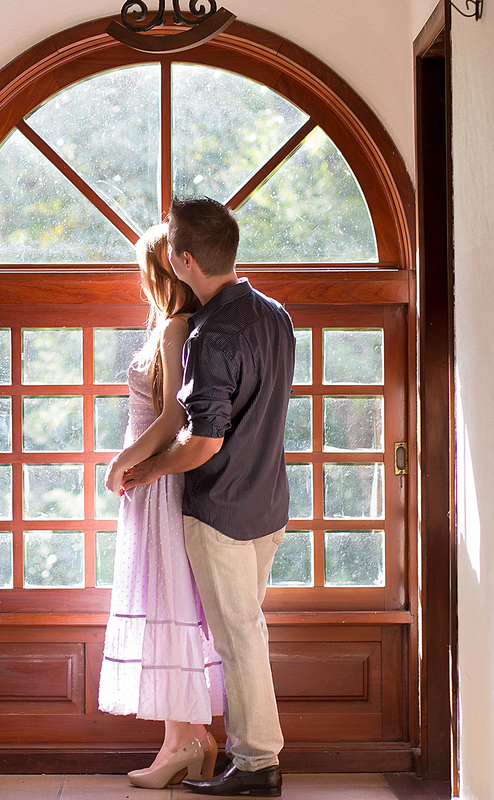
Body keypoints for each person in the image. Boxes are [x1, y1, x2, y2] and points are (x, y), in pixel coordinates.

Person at [122, 197, 295, 798]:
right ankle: (255, 760)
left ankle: (257, 767)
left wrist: (143, 472)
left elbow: (203, 442)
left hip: (221, 509)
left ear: (183, 259)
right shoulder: (275, 314)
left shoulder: (209, 333)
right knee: (247, 632)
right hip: (268, 504)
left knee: (237, 638)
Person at [97, 224, 224, 790]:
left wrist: (120, 460)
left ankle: (185, 739)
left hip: (162, 484)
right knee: (164, 600)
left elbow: (175, 417)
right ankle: (188, 737)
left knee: (168, 598)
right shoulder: (171, 327)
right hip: (152, 485)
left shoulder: (176, 327)